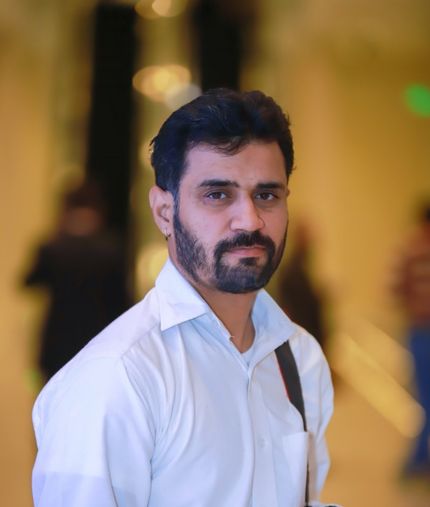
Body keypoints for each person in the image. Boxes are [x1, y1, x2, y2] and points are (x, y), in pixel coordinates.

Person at [32, 89, 336, 507]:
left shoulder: (301, 358)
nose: (250, 221)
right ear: (163, 212)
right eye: (217, 195)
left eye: (267, 195)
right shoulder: (116, 378)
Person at [24, 181, 132, 380]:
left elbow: (28, 282)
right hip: (98, 338)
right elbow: (122, 300)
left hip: (57, 338)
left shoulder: (53, 247)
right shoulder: (111, 249)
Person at [391, 202, 430, 478]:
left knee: (423, 396)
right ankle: (418, 458)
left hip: (419, 331)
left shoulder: (409, 248)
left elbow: (394, 289)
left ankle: (418, 459)